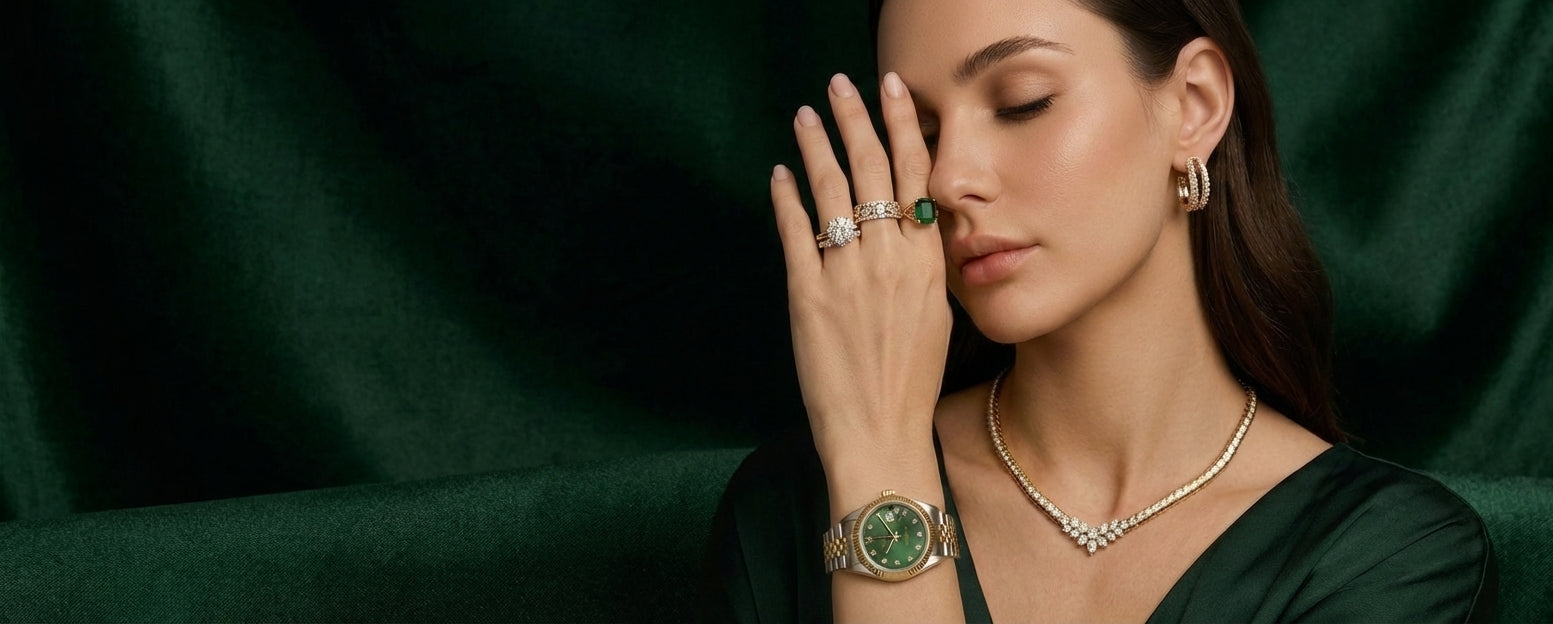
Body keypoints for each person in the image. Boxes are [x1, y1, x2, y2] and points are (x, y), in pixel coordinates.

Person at [701, 0, 1497, 621]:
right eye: (922, 133)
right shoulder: (795, 505)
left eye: (1022, 102)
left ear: (1192, 104)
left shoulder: (1390, 554)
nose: (946, 180)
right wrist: (879, 461)